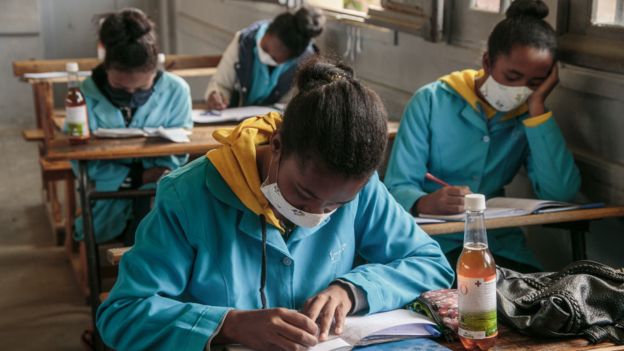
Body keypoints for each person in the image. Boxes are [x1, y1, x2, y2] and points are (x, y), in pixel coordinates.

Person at [97, 58, 454, 351]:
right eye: (305, 193)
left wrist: (351, 290)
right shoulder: (188, 195)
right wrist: (228, 324)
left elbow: (429, 262)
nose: (316, 215)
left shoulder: (362, 190)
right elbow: (123, 314)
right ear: (278, 144)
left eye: (336, 205)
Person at [384, 0, 580, 272]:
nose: (521, 90)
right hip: (432, 244)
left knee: (531, 297)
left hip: (497, 243)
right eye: (512, 76)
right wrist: (424, 202)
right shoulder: (430, 101)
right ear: (487, 62)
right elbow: (397, 186)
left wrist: (537, 108)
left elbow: (560, 192)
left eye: (535, 83)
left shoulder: (529, 117)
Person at [69, 8, 192, 249]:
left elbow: (177, 155)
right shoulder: (84, 94)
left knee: (156, 216)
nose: (131, 95)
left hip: (158, 192)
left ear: (155, 67)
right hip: (107, 199)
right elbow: (82, 162)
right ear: (106, 68)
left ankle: (139, 272)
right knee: (148, 228)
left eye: (142, 88)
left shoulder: (177, 90)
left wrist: (149, 176)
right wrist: (138, 176)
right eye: (119, 88)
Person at [205, 7, 324, 110]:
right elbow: (220, 83)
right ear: (267, 31)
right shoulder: (244, 41)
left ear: (291, 59)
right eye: (265, 48)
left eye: (273, 58)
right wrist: (216, 95)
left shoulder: (304, 63)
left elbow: (292, 105)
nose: (265, 56)